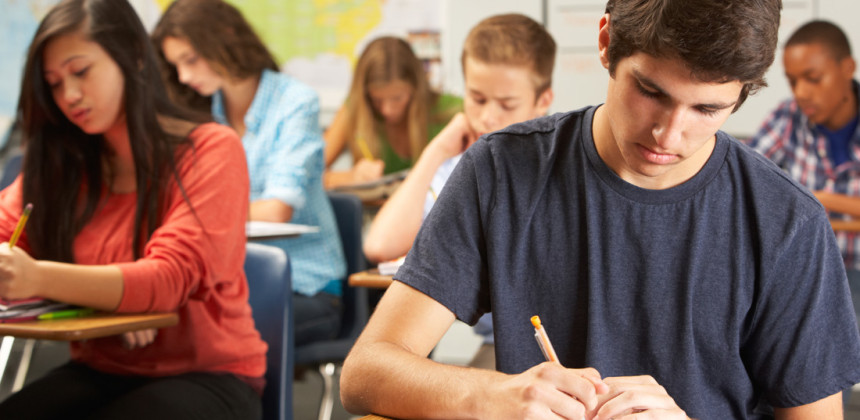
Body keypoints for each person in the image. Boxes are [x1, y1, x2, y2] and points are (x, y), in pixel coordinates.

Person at [340, 0, 860, 418]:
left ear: (743, 94)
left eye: (707, 109)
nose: (668, 134)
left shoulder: (787, 224)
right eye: (651, 91)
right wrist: (493, 396)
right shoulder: (503, 171)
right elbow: (364, 374)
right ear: (607, 42)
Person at [0, 0, 264, 418]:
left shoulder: (212, 149)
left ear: (135, 58)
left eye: (81, 72)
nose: (69, 95)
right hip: (103, 368)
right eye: (52, 83)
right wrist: (118, 299)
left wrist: (37, 276)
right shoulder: (60, 163)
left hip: (209, 376)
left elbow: (166, 280)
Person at [362, 14, 556, 370]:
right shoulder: (463, 167)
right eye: (477, 98)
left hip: (553, 353)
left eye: (506, 104)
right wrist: (435, 152)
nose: (488, 117)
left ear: (543, 100)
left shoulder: (557, 168)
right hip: (501, 352)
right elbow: (380, 245)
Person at [152, 0, 346, 346]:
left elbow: (276, 211)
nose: (183, 76)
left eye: (190, 59)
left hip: (306, 286)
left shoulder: (294, 102)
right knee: (164, 320)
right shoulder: (201, 113)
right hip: (233, 284)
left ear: (225, 37)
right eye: (176, 65)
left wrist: (198, 216)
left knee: (205, 335)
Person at [745, 20, 860, 330]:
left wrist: (815, 200)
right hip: (806, 271)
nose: (802, 93)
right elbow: (749, 179)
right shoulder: (788, 115)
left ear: (848, 68)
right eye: (793, 81)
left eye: (813, 78)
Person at [323, 36, 461, 188]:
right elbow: (307, 173)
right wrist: (350, 177)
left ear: (416, 88)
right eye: (377, 100)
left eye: (397, 98)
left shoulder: (453, 112)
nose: (387, 110)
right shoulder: (355, 109)